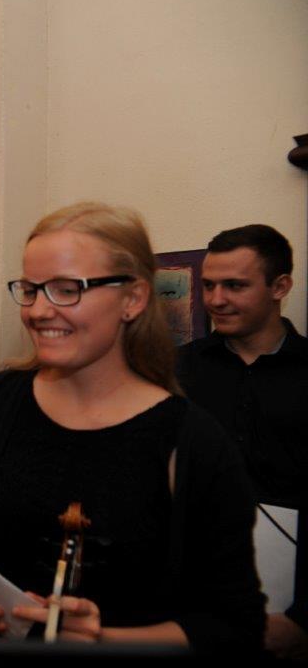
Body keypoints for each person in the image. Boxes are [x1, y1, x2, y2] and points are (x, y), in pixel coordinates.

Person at [0, 202, 264, 653]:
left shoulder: (194, 443)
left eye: (67, 289)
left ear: (133, 299)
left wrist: (105, 641)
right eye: (30, 289)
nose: (38, 310)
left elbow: (235, 626)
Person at [175, 224, 307, 660]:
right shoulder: (176, 370)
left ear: (280, 286)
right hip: (188, 600)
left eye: (235, 286)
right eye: (208, 285)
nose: (216, 300)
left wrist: (303, 620)